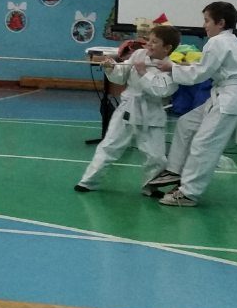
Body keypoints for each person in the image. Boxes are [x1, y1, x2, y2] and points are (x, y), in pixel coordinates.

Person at [146, 1, 237, 207]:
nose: (204, 25)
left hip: (229, 99)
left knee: (204, 144)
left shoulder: (217, 42)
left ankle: (189, 193)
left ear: (221, 23)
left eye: (207, 21)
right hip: (223, 95)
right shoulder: (230, 41)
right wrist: (185, 65)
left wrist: (172, 68)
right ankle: (175, 170)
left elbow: (200, 74)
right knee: (186, 123)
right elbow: (207, 67)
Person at [75, 23, 181, 194]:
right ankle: (88, 181)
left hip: (152, 113)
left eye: (155, 42)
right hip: (128, 108)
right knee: (109, 145)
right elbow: (121, 76)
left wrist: (144, 72)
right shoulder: (139, 55)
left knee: (156, 156)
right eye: (149, 40)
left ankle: (150, 187)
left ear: (167, 48)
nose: (149, 44)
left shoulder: (171, 68)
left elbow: (160, 91)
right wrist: (112, 67)